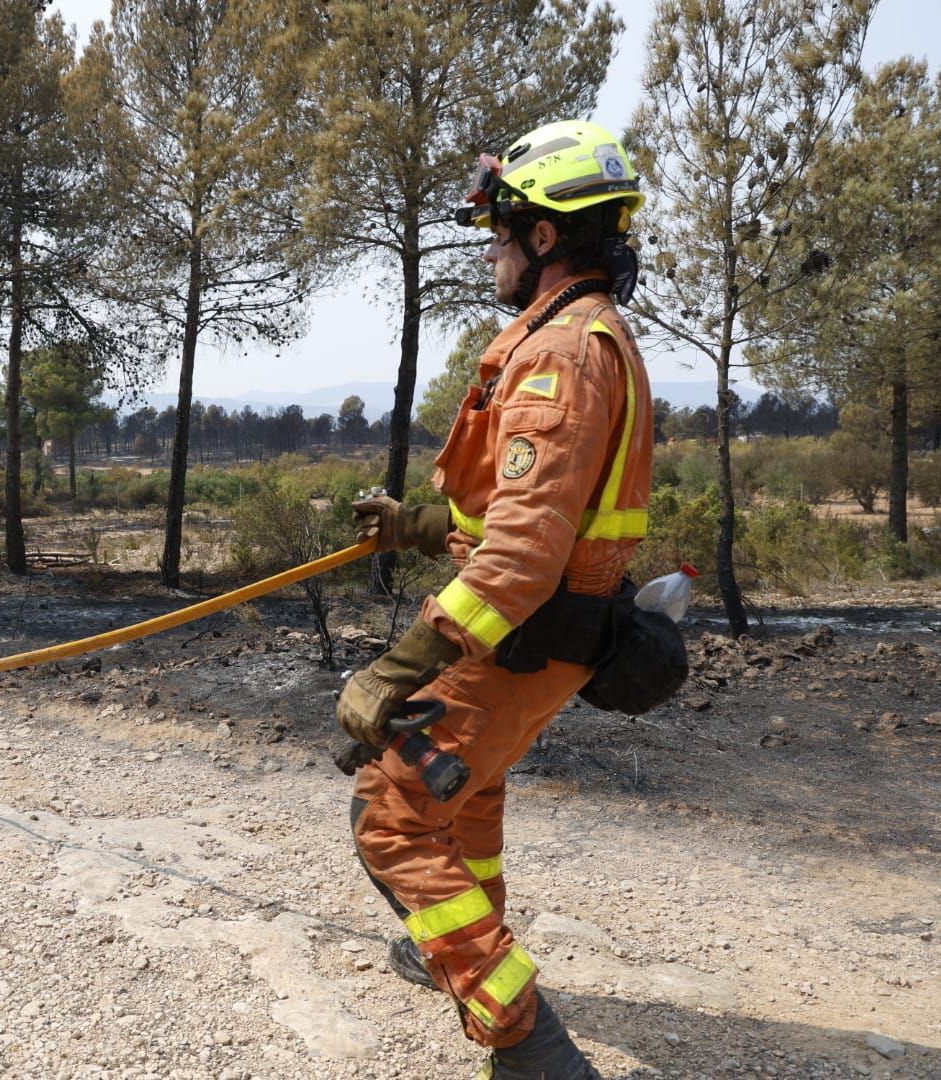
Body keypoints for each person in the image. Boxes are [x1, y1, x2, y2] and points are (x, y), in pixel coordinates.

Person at [337, 120, 653, 1080]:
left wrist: (392, 673)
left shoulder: (565, 356)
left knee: (390, 815)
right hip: (545, 637)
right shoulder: (585, 341)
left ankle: (528, 1048)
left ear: (545, 237)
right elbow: (525, 517)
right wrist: (415, 528)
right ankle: (459, 954)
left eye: (500, 230)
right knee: (463, 807)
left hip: (521, 639)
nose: (491, 250)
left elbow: (519, 558)